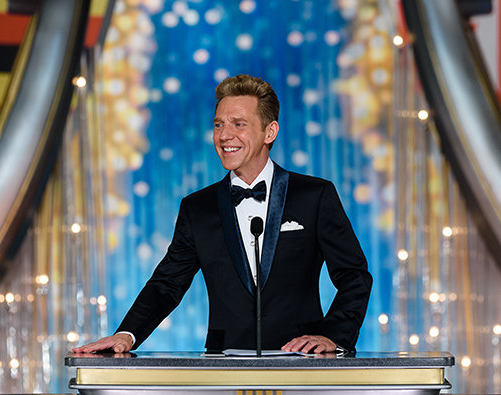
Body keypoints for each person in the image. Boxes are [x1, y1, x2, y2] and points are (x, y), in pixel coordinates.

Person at [74, 74, 372, 356]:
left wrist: (333, 336)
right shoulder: (198, 207)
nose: (225, 135)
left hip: (301, 365)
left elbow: (354, 275)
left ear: (269, 132)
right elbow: (167, 283)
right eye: (219, 125)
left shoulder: (314, 196)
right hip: (223, 365)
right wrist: (127, 334)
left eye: (238, 124)